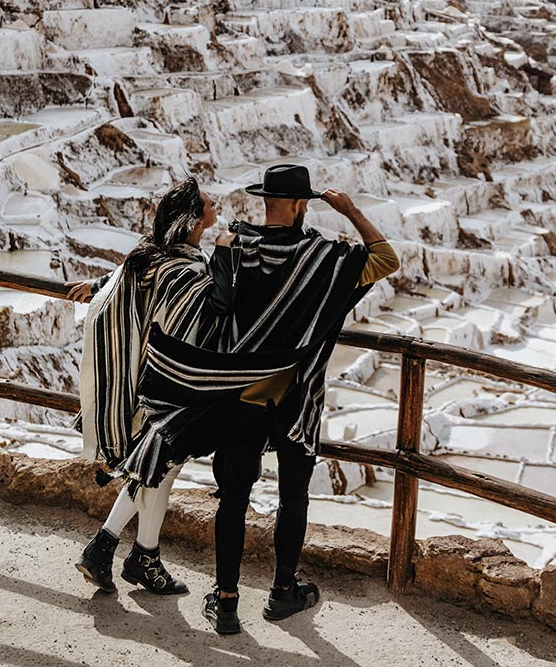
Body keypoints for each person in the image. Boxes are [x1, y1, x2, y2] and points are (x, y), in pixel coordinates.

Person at [202, 163, 399, 634]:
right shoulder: (323, 258)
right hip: (295, 396)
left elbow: (214, 307)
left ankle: (227, 601)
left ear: (265, 202)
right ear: (299, 205)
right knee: (293, 496)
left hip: (238, 394)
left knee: (233, 498)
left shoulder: (235, 246)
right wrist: (349, 209)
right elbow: (386, 258)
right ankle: (282, 591)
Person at [71, 177, 225, 596]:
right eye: (211, 203)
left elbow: (125, 276)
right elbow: (212, 312)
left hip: (143, 375)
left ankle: (143, 556)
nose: (217, 207)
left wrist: (98, 286)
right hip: (170, 381)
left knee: (159, 468)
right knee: (156, 466)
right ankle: (106, 547)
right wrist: (228, 259)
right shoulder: (188, 270)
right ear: (195, 219)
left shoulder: (157, 254)